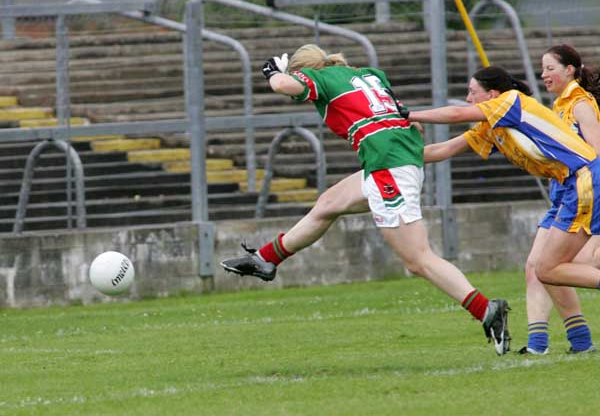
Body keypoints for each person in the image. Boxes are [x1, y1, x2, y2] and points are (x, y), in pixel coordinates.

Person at [221, 44, 511, 355]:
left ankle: (486, 310)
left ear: (304, 70)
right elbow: (413, 124)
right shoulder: (370, 75)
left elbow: (281, 85)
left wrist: (273, 72)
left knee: (418, 259)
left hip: (389, 168)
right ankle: (266, 259)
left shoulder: (323, 79)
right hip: (393, 161)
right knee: (328, 204)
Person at [416, 56, 600, 355]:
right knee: (541, 268)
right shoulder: (493, 122)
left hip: (581, 181)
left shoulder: (515, 101)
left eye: (472, 91)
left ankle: (557, 343)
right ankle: (564, 343)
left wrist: (408, 114)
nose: (467, 98)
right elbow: (443, 149)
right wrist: (391, 154)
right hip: (567, 187)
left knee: (552, 267)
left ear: (491, 95)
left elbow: (453, 114)